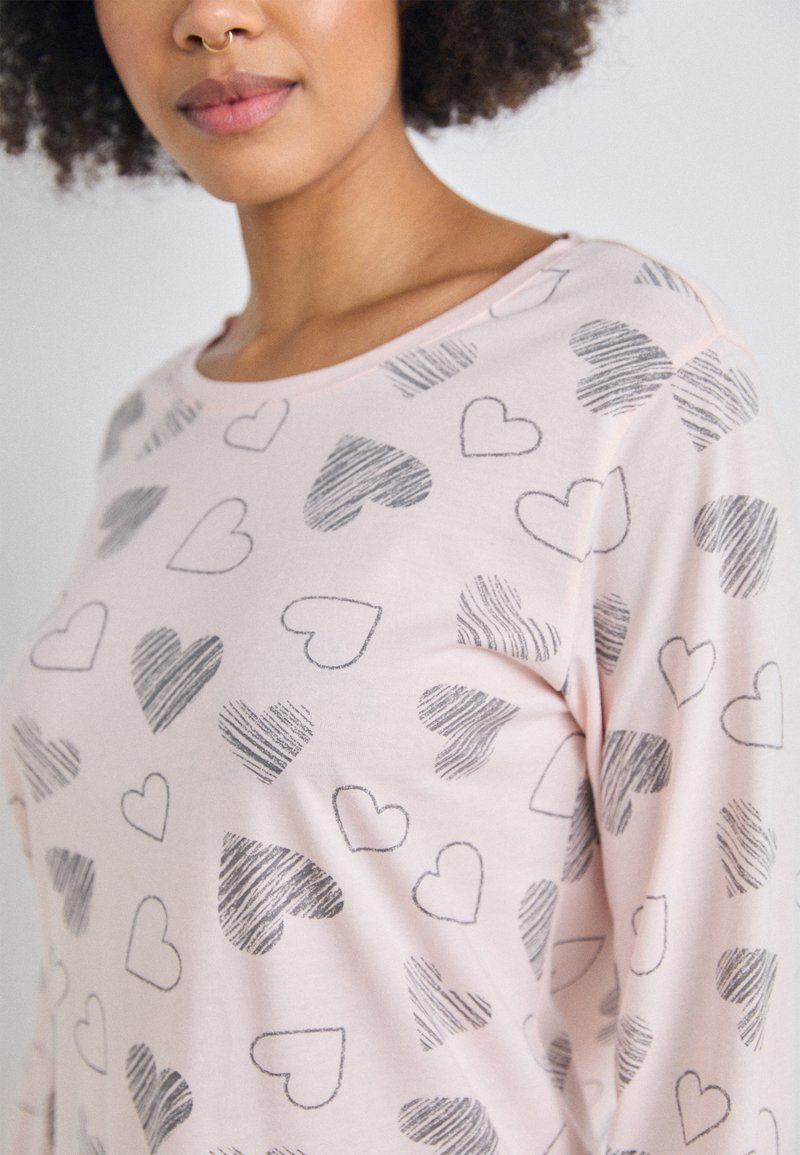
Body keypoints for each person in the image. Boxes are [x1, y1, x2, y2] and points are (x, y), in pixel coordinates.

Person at [0, 1, 797, 1152]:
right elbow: (88, 991)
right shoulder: (149, 430)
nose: (209, 18)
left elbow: (721, 1006)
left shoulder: (630, 370)